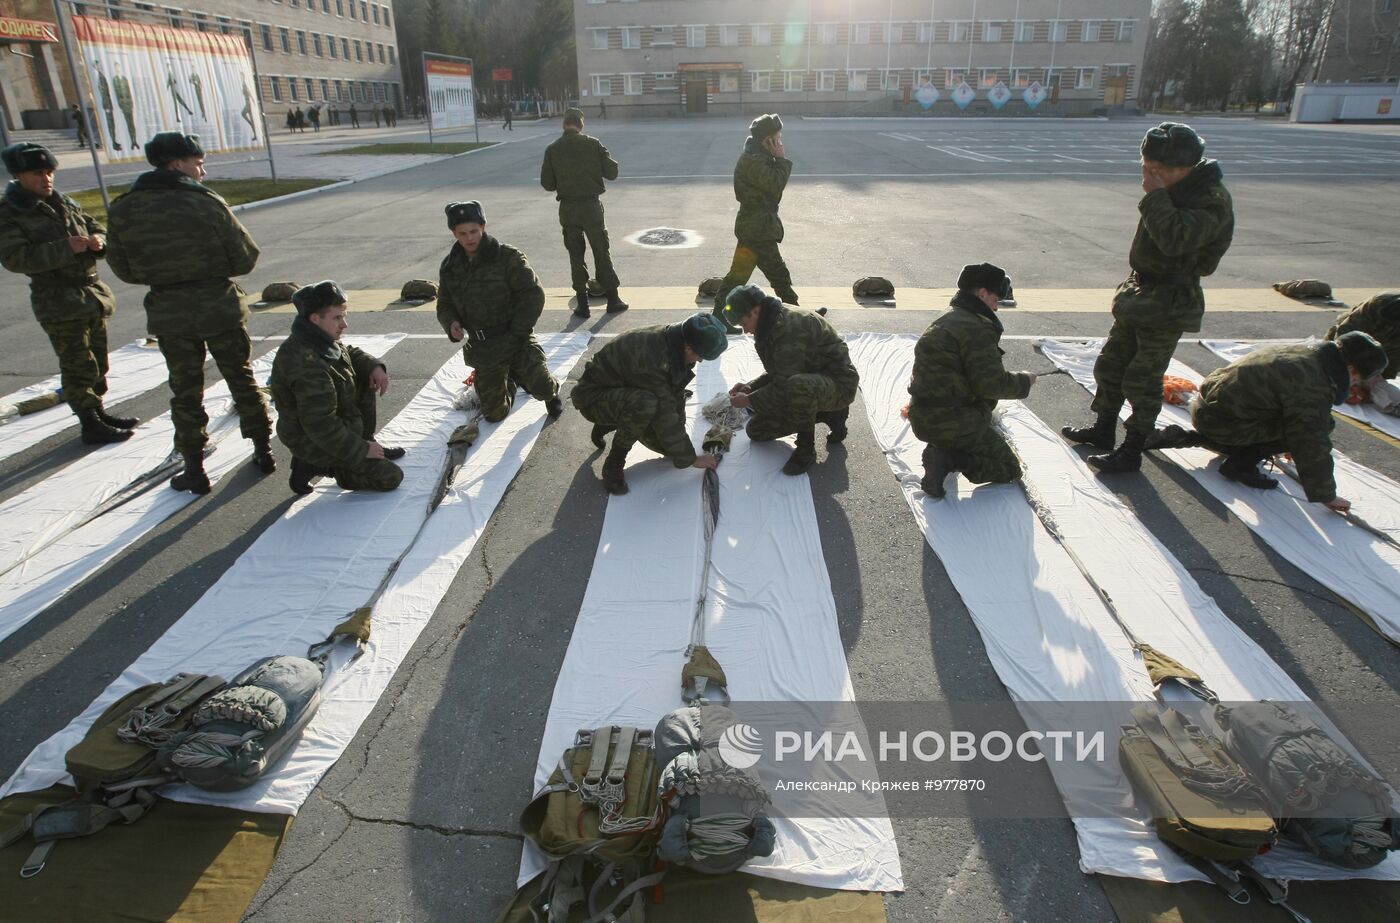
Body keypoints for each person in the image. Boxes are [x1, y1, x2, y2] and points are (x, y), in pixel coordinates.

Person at [105, 132, 274, 494]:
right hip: (218, 305)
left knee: (185, 391)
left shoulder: (124, 207)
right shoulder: (206, 202)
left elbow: (123, 268)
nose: (203, 171)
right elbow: (245, 256)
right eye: (198, 163)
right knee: (241, 378)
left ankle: (194, 468)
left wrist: (165, 277)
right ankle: (263, 449)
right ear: (177, 164)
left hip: (169, 310)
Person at [1062, 121, 1234, 474]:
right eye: (1145, 167)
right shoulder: (1176, 188)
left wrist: (1155, 196)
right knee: (1111, 365)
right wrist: (1159, 192)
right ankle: (1103, 427)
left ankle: (1132, 447)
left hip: (1170, 299)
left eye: (1156, 171)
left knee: (1142, 378)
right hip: (1142, 291)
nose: (1148, 176)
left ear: (1184, 168)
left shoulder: (1210, 200)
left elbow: (1175, 239)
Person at [0, 143, 135, 445]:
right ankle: (89, 422)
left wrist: (99, 239)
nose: (46, 179)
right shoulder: (10, 213)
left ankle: (98, 411)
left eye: (49, 172)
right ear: (19, 176)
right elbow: (14, 258)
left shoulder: (64, 202)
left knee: (99, 360)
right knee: (77, 364)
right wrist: (66, 248)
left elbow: (93, 225)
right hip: (57, 299)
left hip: (90, 294)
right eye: (38, 173)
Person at [1184, 333, 1388, 512]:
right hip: (1220, 422)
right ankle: (1240, 465)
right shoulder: (1313, 383)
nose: (1355, 384)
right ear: (1351, 369)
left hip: (1207, 406)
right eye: (1357, 379)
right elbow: (1310, 440)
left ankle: (1224, 444)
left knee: (1309, 423)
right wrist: (1326, 495)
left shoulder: (1305, 352)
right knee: (1320, 426)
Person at [907, 263, 1036, 499]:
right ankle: (948, 458)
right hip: (955, 421)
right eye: (996, 299)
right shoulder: (976, 328)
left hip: (922, 416)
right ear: (983, 293)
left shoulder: (949, 318)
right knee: (1008, 467)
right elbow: (991, 385)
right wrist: (1025, 382)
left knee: (967, 427)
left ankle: (942, 449)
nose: (996, 308)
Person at [270, 281, 405, 496]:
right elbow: (321, 425)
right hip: (312, 438)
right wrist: (362, 451)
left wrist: (374, 366)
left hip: (325, 428)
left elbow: (346, 353)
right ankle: (317, 465)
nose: (344, 324)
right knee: (390, 477)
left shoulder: (317, 337)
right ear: (315, 319)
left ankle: (365, 443)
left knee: (363, 376)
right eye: (337, 318)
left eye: (344, 316)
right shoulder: (306, 364)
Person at [572, 314, 728, 494]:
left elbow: (674, 395)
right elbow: (665, 413)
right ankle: (614, 463)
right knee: (646, 404)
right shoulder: (652, 357)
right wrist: (692, 458)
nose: (699, 361)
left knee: (668, 447)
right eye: (700, 356)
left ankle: (610, 421)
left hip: (621, 389)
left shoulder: (674, 341)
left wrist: (679, 448)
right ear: (688, 348)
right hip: (593, 398)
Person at [436, 200, 562, 422]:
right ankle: (511, 378)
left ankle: (550, 392)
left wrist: (518, 332)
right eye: (462, 233)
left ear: (483, 227)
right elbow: (445, 304)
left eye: (474, 231)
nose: (470, 238)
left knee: (542, 387)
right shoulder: (450, 267)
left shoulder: (507, 257)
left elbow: (533, 295)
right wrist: (451, 323)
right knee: (494, 414)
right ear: (454, 233)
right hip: (484, 347)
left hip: (515, 338)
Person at [723, 283, 858, 475]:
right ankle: (827, 414)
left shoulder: (788, 327)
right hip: (810, 380)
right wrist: (751, 386)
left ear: (755, 311)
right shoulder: (769, 322)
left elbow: (786, 383)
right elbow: (779, 372)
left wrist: (750, 399)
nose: (745, 331)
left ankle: (806, 449)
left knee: (798, 386)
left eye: (743, 324)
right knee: (757, 431)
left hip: (838, 386)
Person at [712, 114, 799, 333]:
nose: (780, 143)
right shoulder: (753, 161)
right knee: (778, 275)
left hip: (756, 227)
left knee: (738, 277)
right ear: (766, 141)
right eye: (777, 139)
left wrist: (776, 159)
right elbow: (775, 184)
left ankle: (718, 318)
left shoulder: (757, 157)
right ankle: (797, 316)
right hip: (757, 229)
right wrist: (781, 159)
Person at [540, 107, 627, 319]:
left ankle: (583, 304)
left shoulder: (553, 149)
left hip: (568, 209)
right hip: (591, 207)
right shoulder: (593, 144)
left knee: (575, 255)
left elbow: (548, 184)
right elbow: (612, 172)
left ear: (564, 125)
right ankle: (613, 300)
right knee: (601, 251)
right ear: (581, 125)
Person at [1326, 292, 1400, 415]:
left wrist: (1373, 377)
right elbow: (1345, 334)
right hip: (1355, 339)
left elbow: (1394, 357)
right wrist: (1347, 378)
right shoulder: (1378, 304)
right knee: (1332, 374)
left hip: (1385, 347)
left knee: (1376, 382)